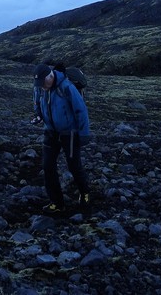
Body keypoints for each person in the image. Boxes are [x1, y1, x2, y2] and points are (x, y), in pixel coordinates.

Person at [32, 63, 92, 213]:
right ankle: (57, 203)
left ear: (50, 76)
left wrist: (84, 134)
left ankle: (85, 193)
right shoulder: (40, 86)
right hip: (50, 131)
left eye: (43, 83)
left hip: (69, 133)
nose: (41, 86)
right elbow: (37, 100)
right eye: (39, 84)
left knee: (74, 166)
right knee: (48, 167)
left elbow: (81, 110)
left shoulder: (66, 87)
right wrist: (38, 114)